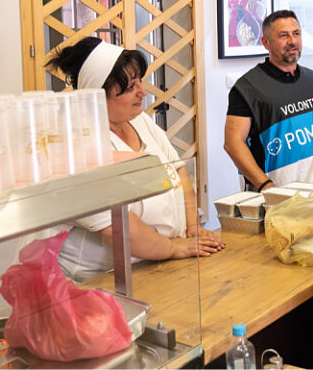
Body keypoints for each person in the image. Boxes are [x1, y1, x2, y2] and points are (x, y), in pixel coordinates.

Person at [47, 37, 224, 281]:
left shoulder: (138, 121)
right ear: (98, 96)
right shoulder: (78, 145)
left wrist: (193, 230)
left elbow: (178, 172)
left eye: (139, 81)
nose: (142, 91)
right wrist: (173, 248)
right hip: (97, 282)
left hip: (156, 265)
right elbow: (118, 228)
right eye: (130, 87)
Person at [224, 10, 313, 192]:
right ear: (266, 43)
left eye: (296, 33)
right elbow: (233, 143)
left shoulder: (312, 78)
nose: (292, 41)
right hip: (281, 196)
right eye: (283, 35)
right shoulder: (248, 87)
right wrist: (266, 185)